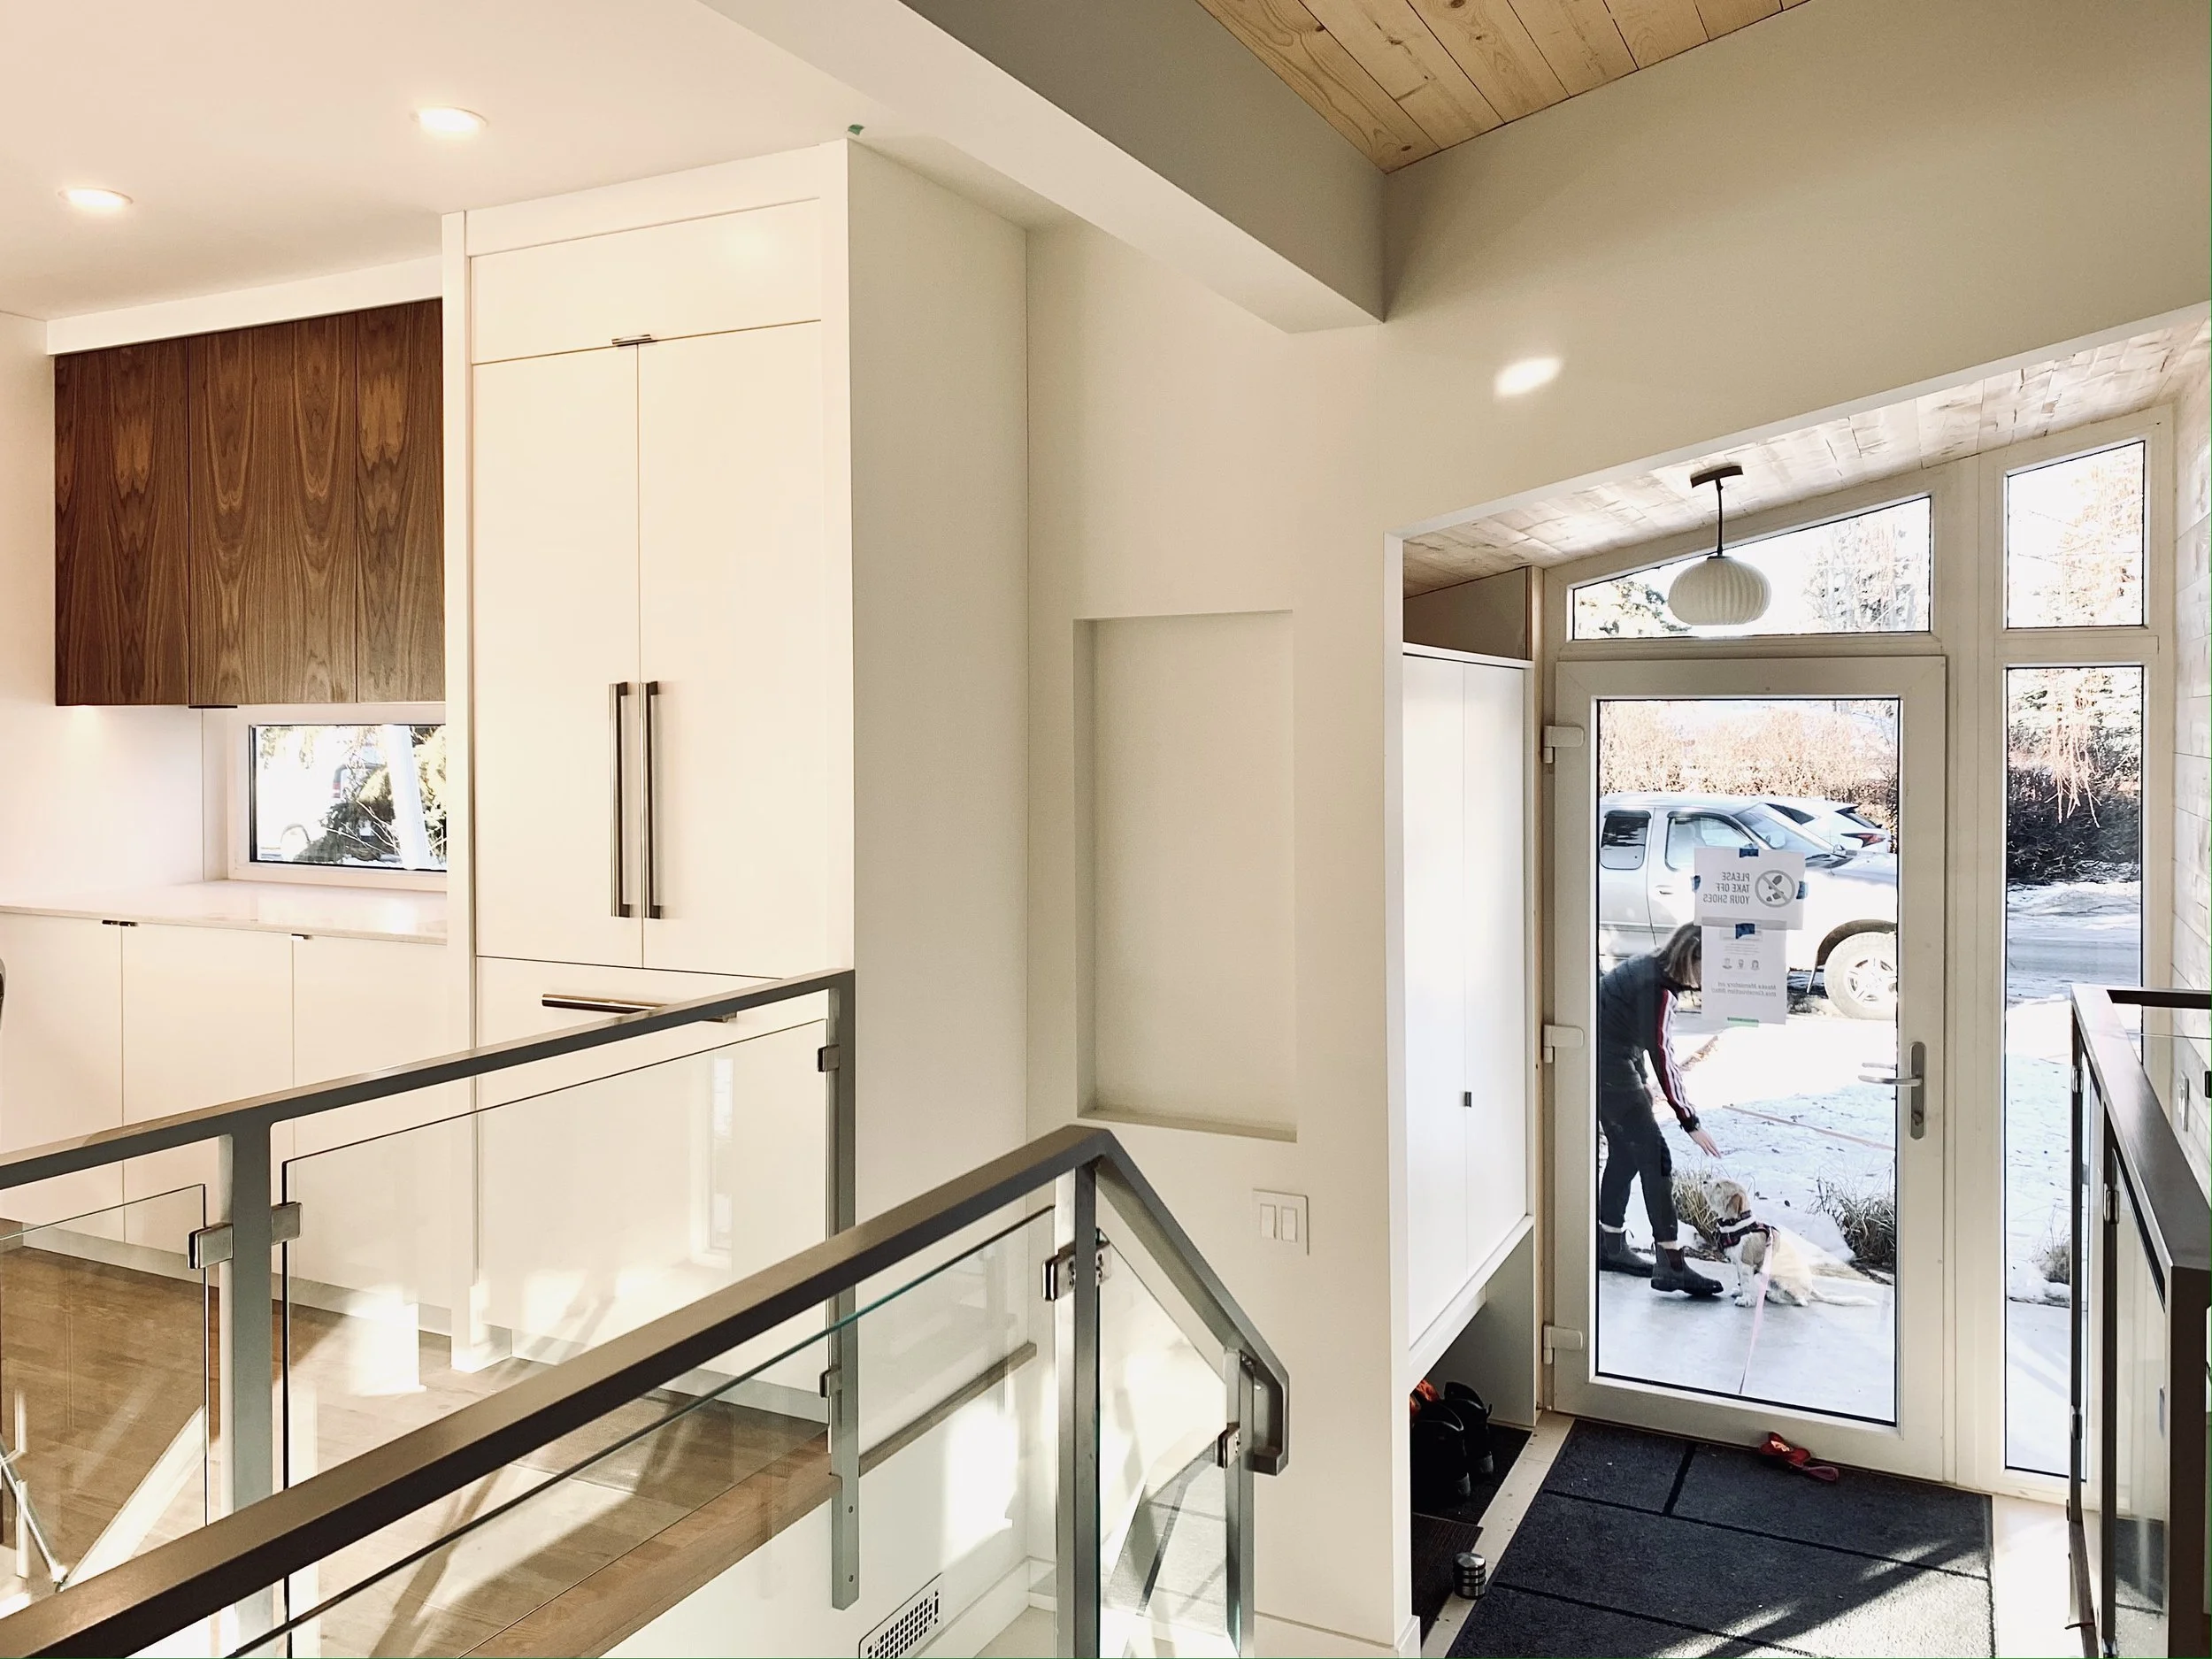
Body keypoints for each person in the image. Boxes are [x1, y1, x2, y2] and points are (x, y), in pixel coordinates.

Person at [1596, 922, 1724, 1297]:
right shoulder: (1660, 990)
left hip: (1605, 1062)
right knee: (1657, 1158)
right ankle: (1671, 1264)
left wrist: (1639, 1081)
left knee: (1625, 1154)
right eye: (1710, 967)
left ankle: (1610, 1245)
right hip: (1610, 1068)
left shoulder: (1649, 967)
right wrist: (1690, 1120)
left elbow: (1623, 1028)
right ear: (1692, 958)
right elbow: (1664, 1056)